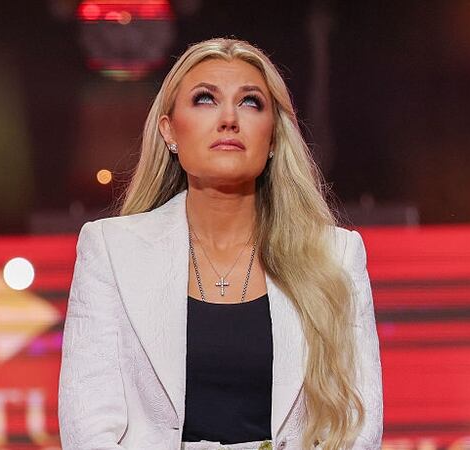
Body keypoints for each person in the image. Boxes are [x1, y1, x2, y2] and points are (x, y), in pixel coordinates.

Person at [58, 37, 383, 450]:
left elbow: (359, 425)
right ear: (169, 130)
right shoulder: (110, 251)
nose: (229, 118)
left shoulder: (335, 256)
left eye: (250, 103)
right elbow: (89, 429)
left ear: (274, 137)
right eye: (205, 99)